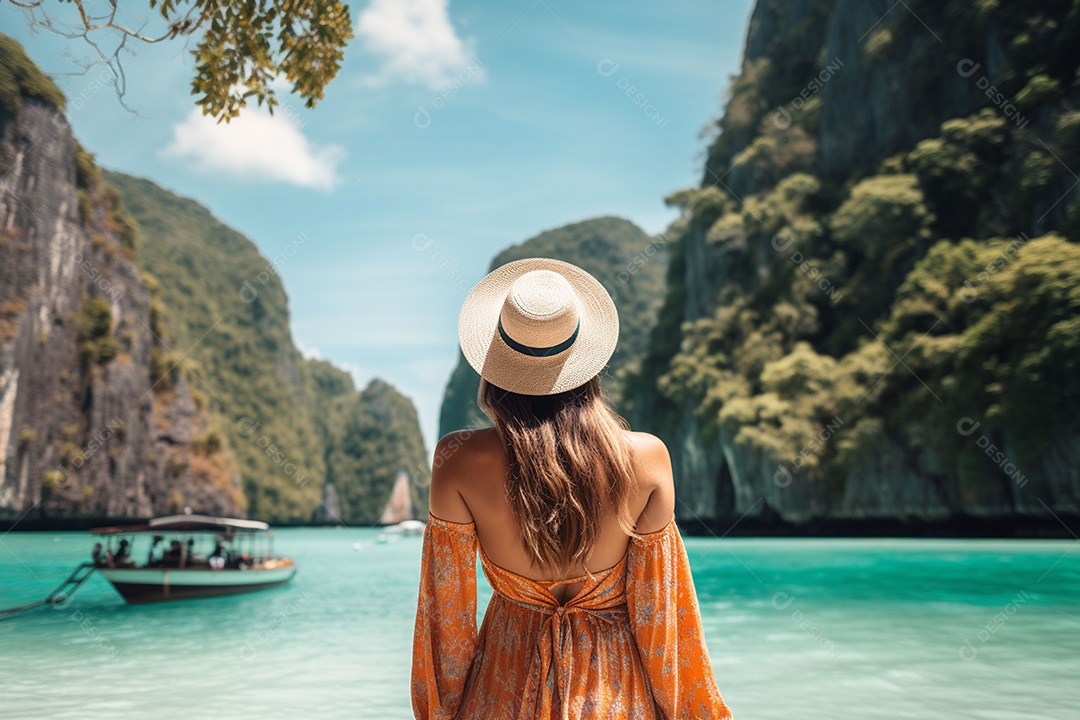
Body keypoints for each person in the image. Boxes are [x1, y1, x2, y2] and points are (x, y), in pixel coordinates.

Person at [411, 258, 733, 719]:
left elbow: (447, 628)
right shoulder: (646, 459)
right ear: (587, 360)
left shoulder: (457, 461)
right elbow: (661, 620)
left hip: (502, 688)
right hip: (614, 694)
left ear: (494, 363)